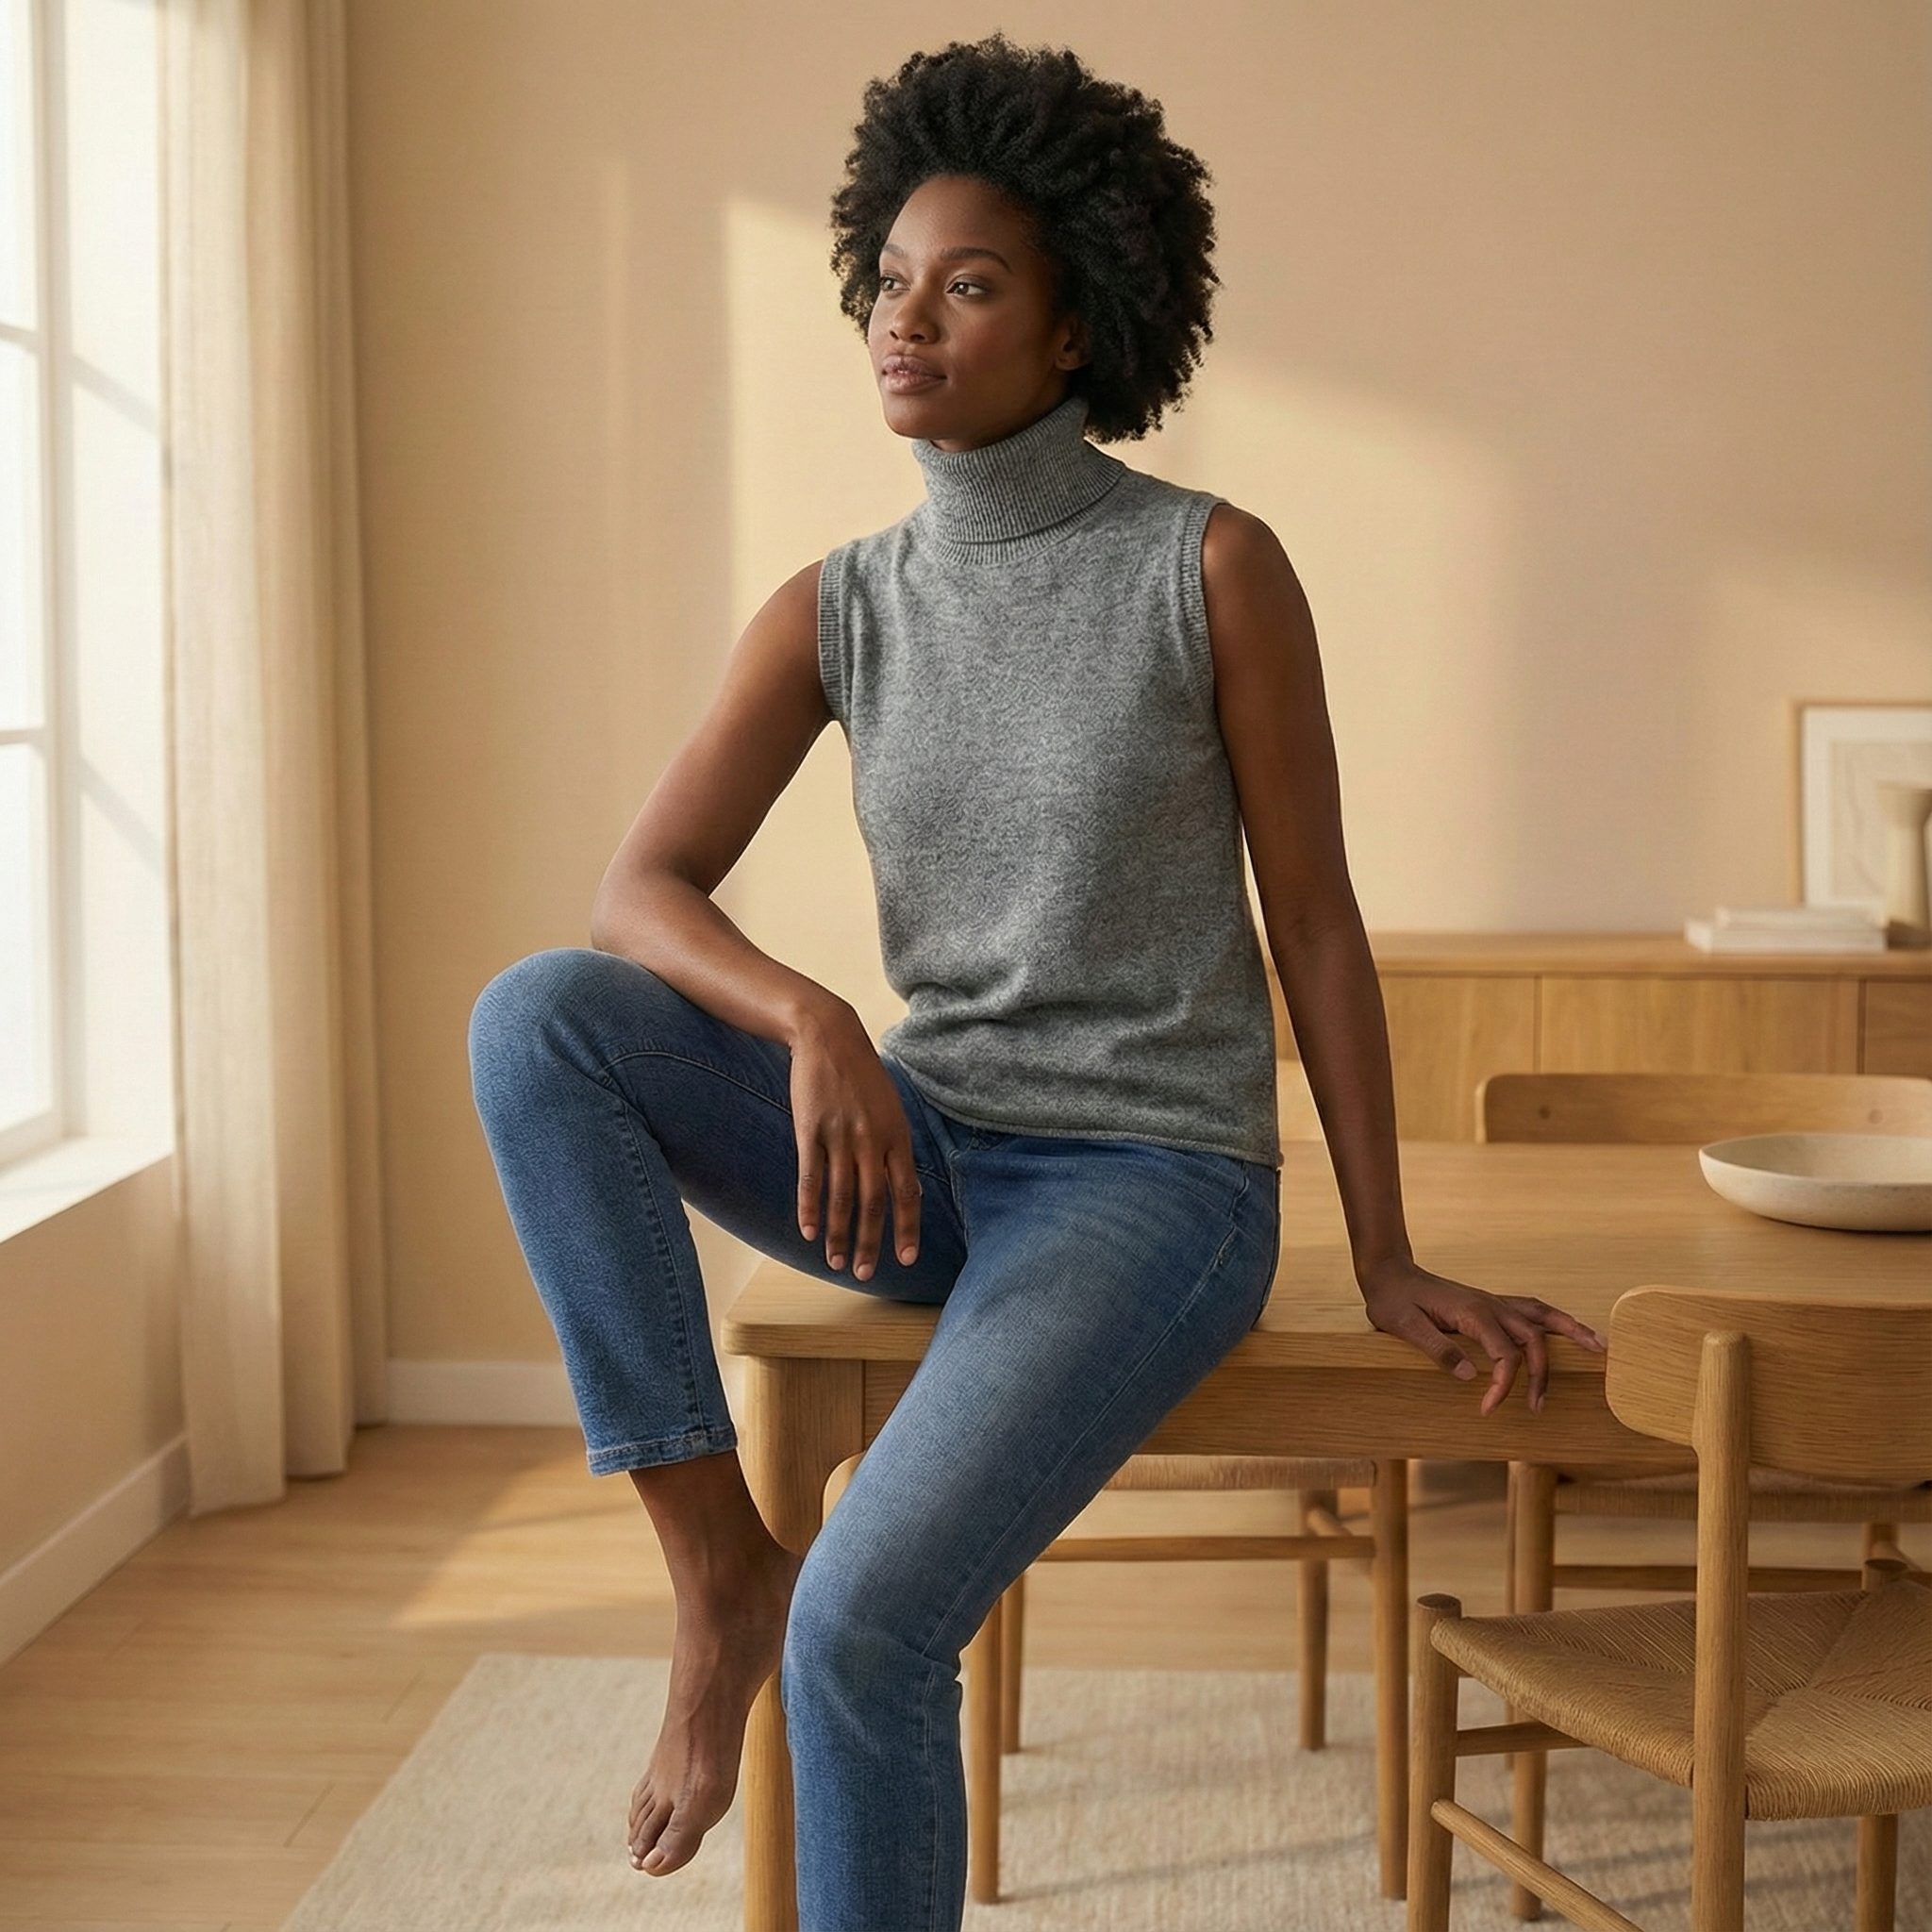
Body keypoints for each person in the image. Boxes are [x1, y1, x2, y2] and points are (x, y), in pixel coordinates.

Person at [469, 35, 1602, 1930]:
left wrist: (1382, 1244)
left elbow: (1311, 917)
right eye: (891, 280)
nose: (907, 320)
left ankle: (788, 1603)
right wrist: (814, 1019)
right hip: (925, 1144)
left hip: (1147, 1181)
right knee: (539, 1019)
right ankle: (712, 1570)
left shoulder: (1208, 569)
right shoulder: (837, 606)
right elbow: (633, 895)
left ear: (1076, 333)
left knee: (874, 1619)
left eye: (970, 284)